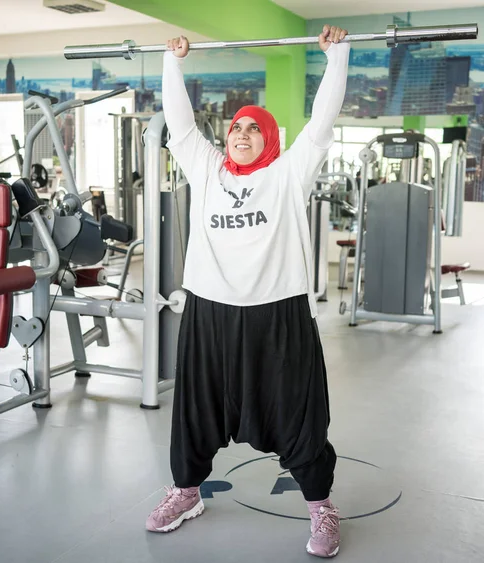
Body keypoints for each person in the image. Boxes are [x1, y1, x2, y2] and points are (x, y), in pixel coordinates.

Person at [146, 25, 350, 559]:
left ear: (270, 139)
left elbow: (323, 123)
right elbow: (182, 124)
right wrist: (174, 64)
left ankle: (320, 505)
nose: (241, 134)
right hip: (210, 310)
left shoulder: (287, 175)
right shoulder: (208, 170)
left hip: (277, 312)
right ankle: (186, 491)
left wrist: (337, 57)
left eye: (253, 129)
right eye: (236, 127)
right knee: (195, 409)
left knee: (298, 413)